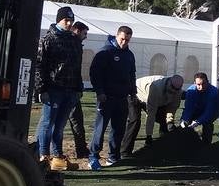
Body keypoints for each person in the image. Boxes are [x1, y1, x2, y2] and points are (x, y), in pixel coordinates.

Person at [34, 6, 83, 172]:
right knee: (47, 124)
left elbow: (77, 66)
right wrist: (41, 89)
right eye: (66, 20)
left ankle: (57, 157)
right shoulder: (47, 40)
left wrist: (78, 88)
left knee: (60, 126)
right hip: (53, 89)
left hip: (70, 89)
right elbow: (39, 66)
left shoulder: (74, 41)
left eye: (71, 20)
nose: (69, 23)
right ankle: (43, 156)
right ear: (58, 20)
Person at [88, 25, 136, 170]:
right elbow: (95, 73)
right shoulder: (105, 52)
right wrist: (100, 92)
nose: (124, 42)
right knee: (100, 128)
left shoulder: (129, 55)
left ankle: (113, 157)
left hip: (122, 98)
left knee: (118, 129)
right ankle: (93, 157)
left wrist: (132, 91)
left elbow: (131, 74)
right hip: (106, 97)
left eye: (127, 40)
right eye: (122, 39)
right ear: (117, 36)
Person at [121, 73, 185, 157]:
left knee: (163, 120)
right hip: (136, 93)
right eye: (172, 88)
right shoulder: (156, 88)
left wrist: (170, 122)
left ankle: (164, 146)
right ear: (169, 82)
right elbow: (151, 114)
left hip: (155, 98)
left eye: (176, 90)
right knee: (135, 121)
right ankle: (125, 152)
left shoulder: (178, 91)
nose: (173, 91)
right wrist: (149, 135)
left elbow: (172, 108)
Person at [64, 21, 90, 159]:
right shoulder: (72, 45)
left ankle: (81, 149)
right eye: (84, 33)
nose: (86, 36)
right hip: (69, 90)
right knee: (73, 121)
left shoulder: (75, 45)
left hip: (72, 89)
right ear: (78, 31)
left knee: (76, 121)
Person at [180, 71, 219, 142]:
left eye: (203, 84)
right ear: (194, 83)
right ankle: (187, 142)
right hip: (197, 109)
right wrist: (184, 120)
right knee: (185, 123)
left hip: (212, 111)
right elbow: (188, 108)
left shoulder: (214, 93)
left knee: (208, 123)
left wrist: (197, 122)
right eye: (198, 84)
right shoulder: (190, 91)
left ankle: (206, 144)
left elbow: (209, 112)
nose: (201, 87)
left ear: (208, 82)